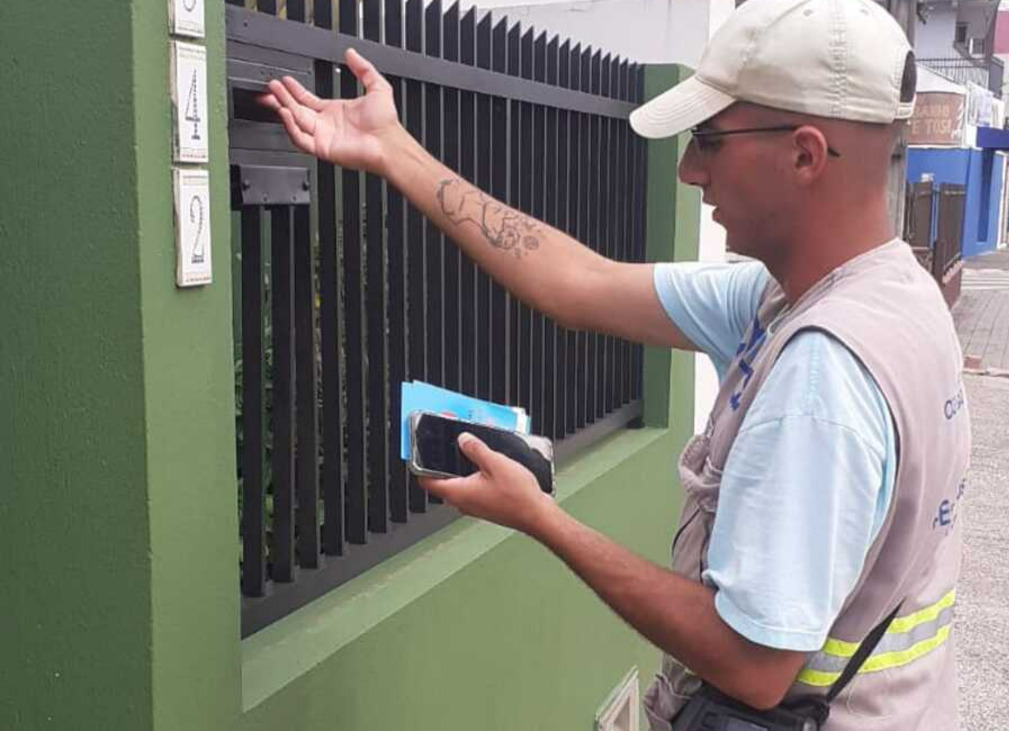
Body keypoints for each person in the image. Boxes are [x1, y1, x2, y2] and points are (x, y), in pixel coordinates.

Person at [260, 0, 970, 728]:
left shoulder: (824, 374)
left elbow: (754, 664)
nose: (690, 171)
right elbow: (579, 283)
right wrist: (393, 150)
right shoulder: (869, 293)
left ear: (805, 154)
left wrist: (542, 520)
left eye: (709, 141)